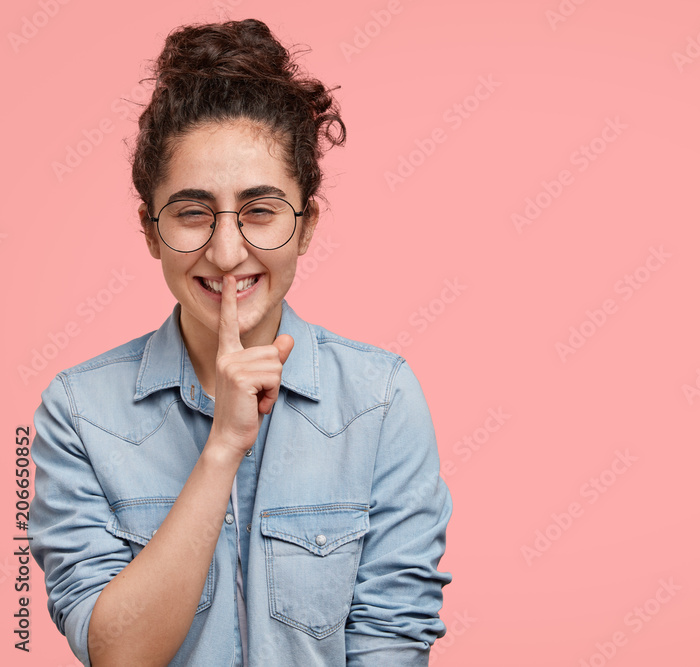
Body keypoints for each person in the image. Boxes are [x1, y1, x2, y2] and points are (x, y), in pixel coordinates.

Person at [28, 18, 452, 666]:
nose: (227, 253)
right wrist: (222, 446)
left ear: (306, 224)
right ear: (150, 229)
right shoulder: (77, 415)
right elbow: (117, 652)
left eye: (259, 210)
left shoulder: (382, 402)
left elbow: (391, 641)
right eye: (193, 212)